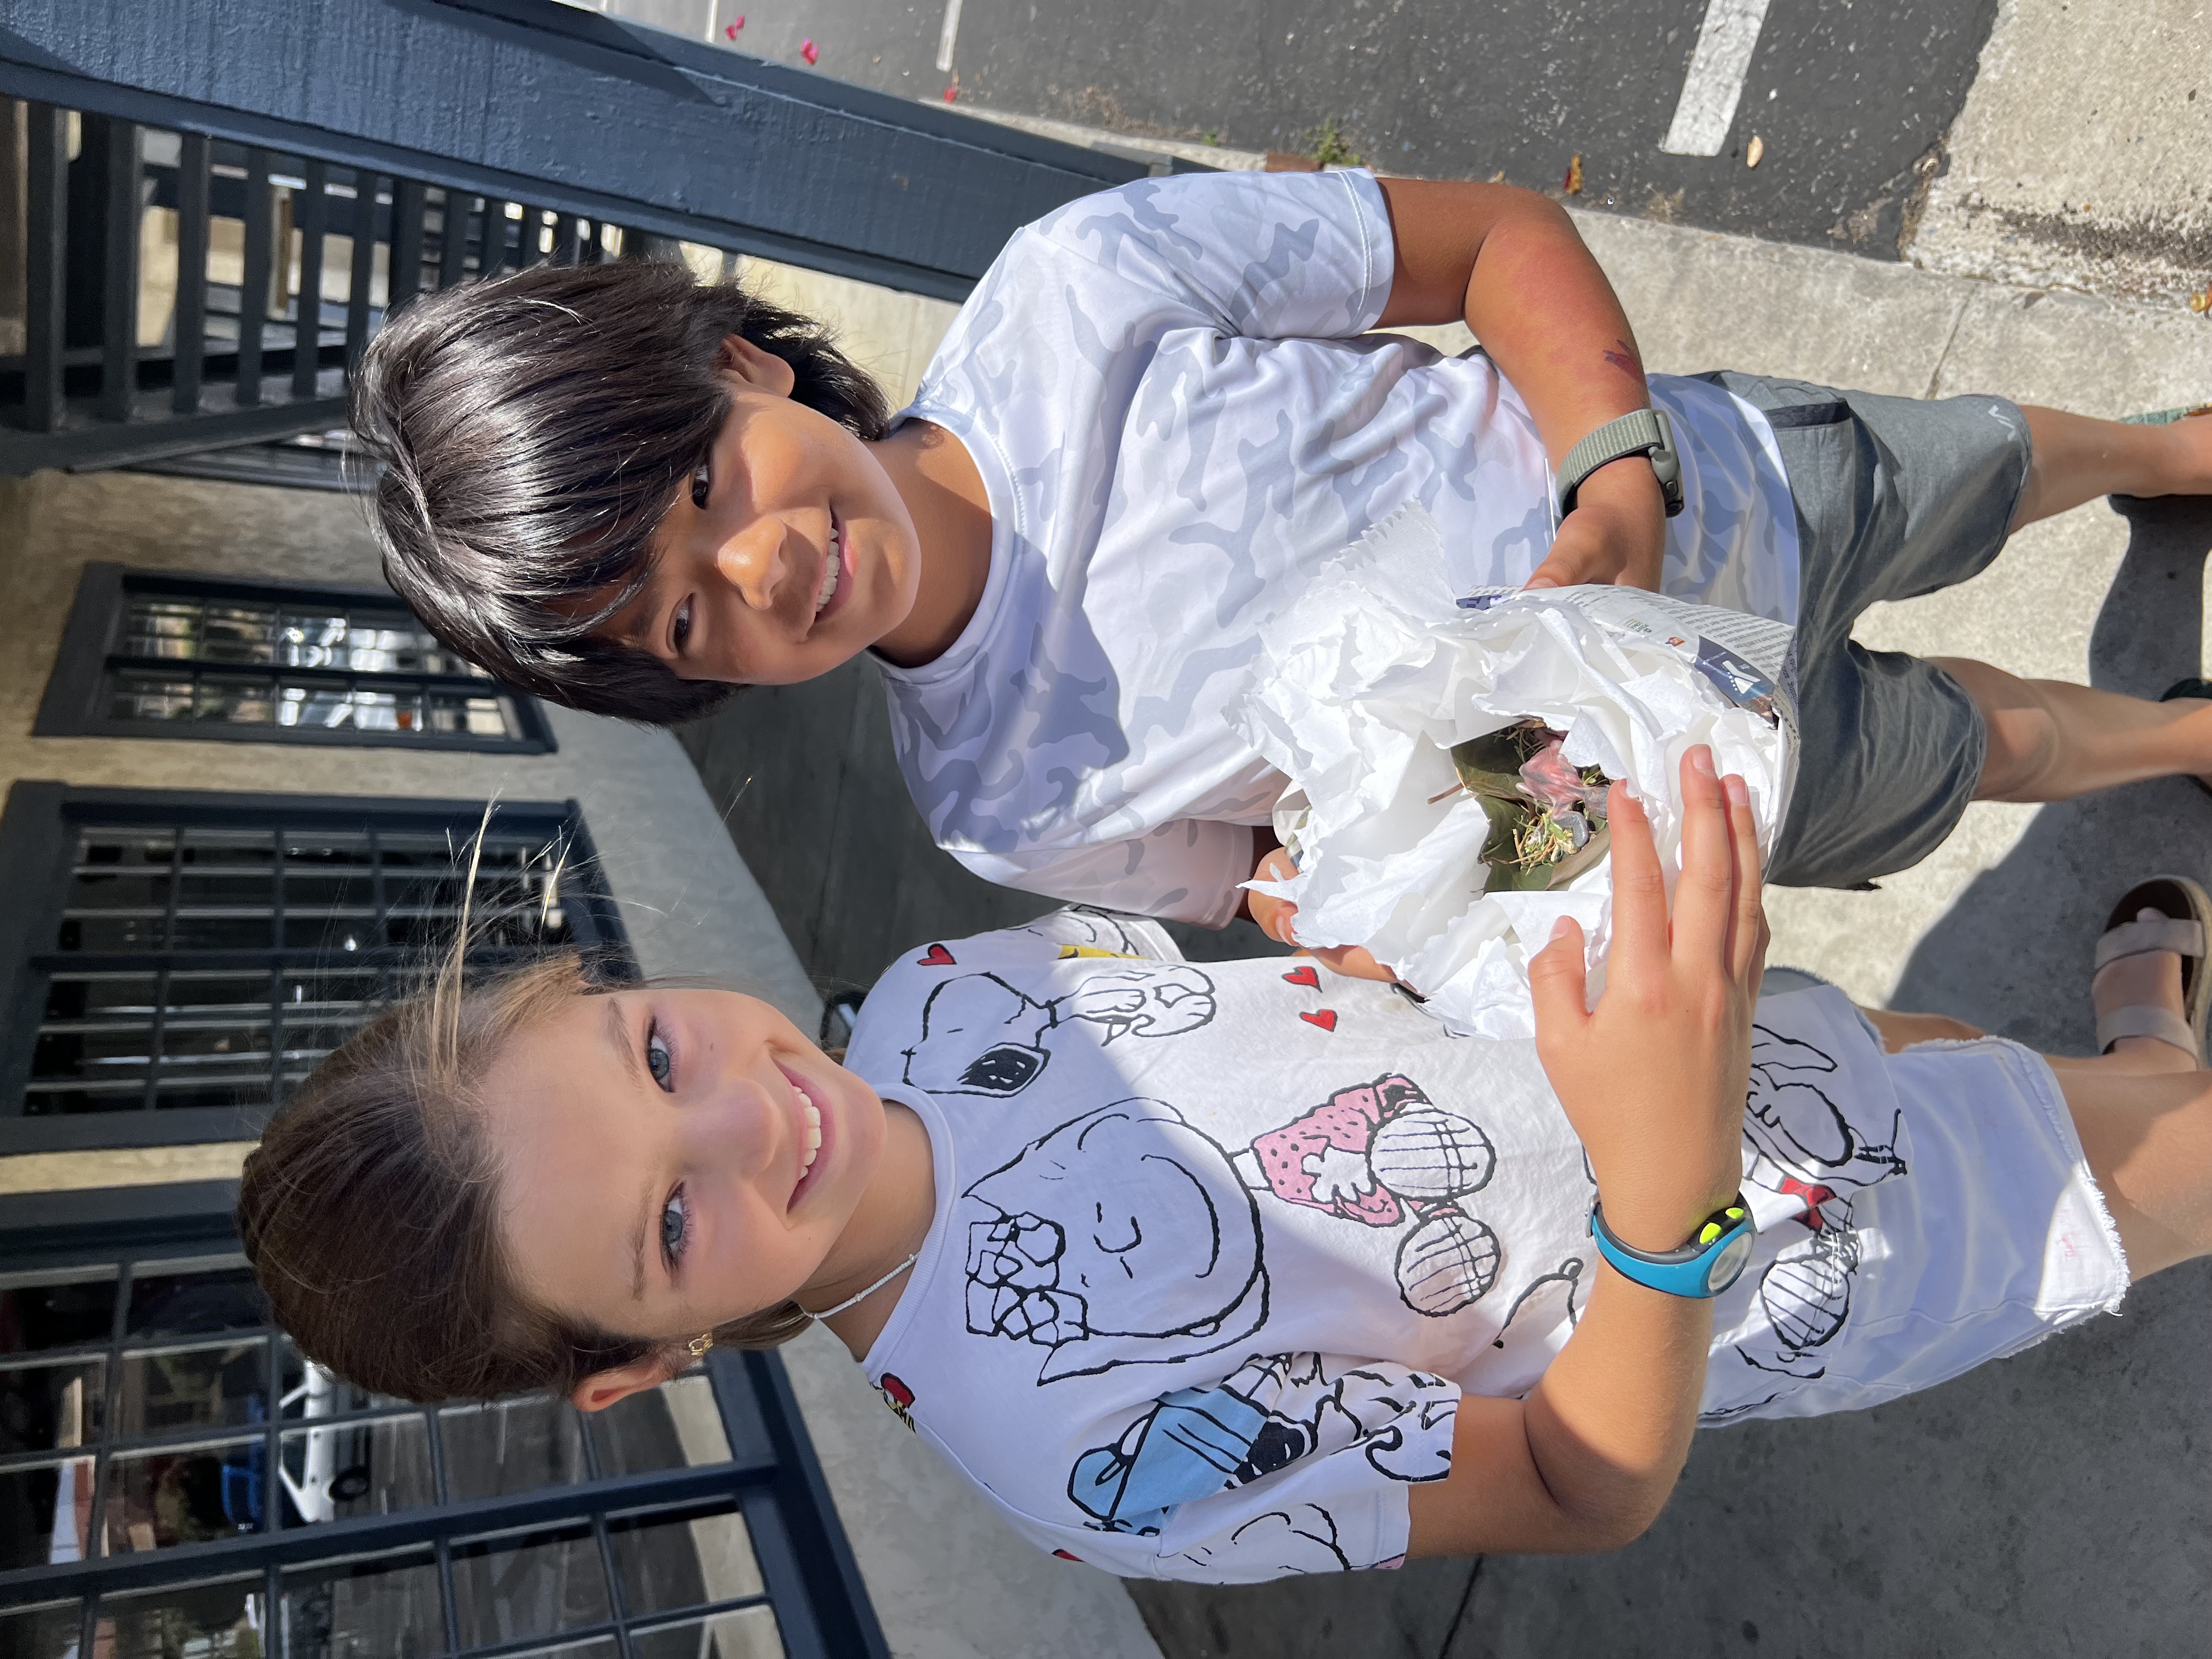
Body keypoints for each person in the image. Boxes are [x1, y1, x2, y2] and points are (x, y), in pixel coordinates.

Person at [237, 750, 2212, 1583]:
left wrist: (1481, 810)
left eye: (655, 1049)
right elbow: (1572, 1487)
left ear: (599, 980)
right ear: (639, 1366)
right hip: (1796, 1249)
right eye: (675, 1223)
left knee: (1969, 1061)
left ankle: (2142, 1040)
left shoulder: (930, 993)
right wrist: (1666, 1181)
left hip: (1723, 1039)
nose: (758, 1116)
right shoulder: (1080, 1458)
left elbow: (1320, 980)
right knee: (2119, 1164)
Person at [352, 167, 2212, 951]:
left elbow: (1489, 246)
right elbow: (1268, 880)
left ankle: (2164, 454)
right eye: (683, 616)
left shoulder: (1080, 297)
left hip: (1719, 488)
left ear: (743, 359)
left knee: (1972, 469)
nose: (759, 569)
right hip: (1641, 783)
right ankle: (2182, 738)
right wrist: (1417, 904)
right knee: (1986, 750)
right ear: (691, 681)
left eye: (700, 478)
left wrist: (1614, 468)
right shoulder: (1000, 808)